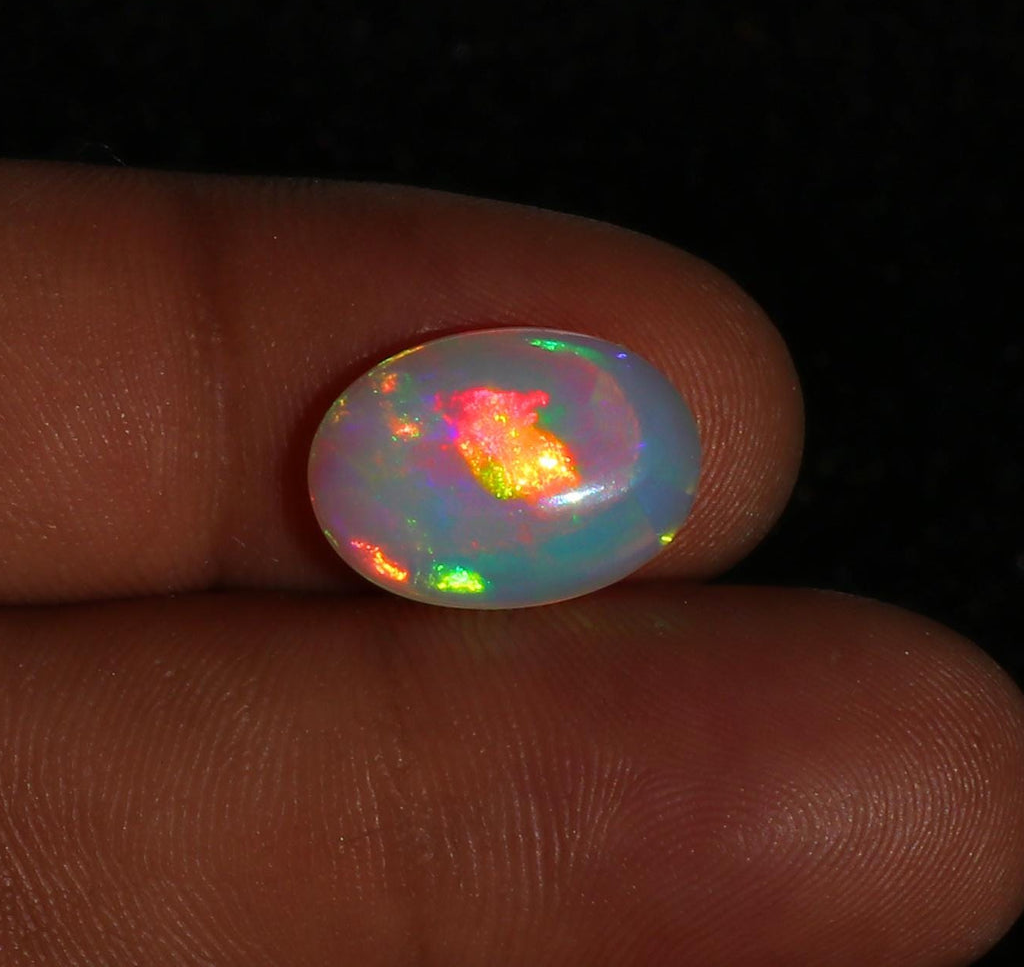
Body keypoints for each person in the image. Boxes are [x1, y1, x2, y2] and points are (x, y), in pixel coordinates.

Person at [1, 160, 1021, 965]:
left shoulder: (590, 449)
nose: (505, 422)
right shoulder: (401, 463)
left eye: (507, 418)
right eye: (499, 418)